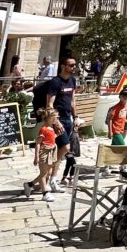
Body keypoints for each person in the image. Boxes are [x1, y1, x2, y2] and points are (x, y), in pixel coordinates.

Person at [44, 55, 79, 191]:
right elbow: (49, 104)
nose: (73, 67)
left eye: (74, 65)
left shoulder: (72, 81)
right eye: (71, 65)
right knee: (65, 148)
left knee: (60, 150)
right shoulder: (55, 82)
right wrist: (55, 121)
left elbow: (72, 100)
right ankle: (51, 178)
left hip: (68, 118)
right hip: (57, 120)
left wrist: (75, 117)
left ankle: (51, 178)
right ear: (63, 66)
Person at [33, 108, 61, 203]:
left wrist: (56, 135)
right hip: (44, 152)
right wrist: (36, 156)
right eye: (55, 117)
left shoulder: (51, 128)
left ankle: (30, 185)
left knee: (48, 172)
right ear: (50, 118)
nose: (57, 119)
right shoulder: (43, 129)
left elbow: (50, 138)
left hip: (51, 151)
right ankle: (45, 193)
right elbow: (38, 143)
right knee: (44, 173)